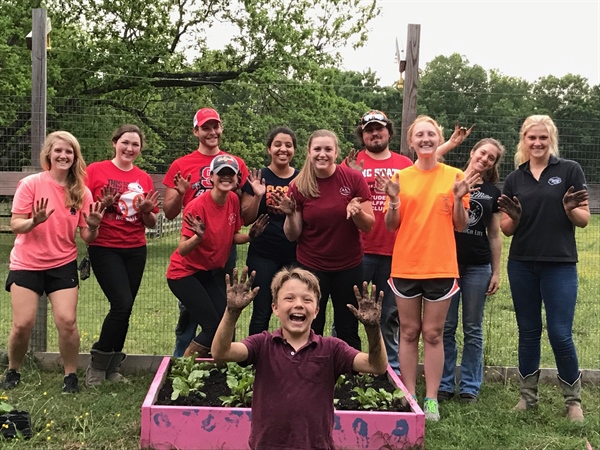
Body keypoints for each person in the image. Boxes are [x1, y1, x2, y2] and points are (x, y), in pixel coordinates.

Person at [344, 111, 474, 374]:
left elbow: (458, 220)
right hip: (367, 252)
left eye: (380, 128)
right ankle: (355, 368)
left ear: (390, 133)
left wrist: (458, 195)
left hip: (413, 258)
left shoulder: (412, 166)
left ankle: (394, 374)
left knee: (401, 323)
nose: (375, 133)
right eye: (369, 129)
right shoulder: (359, 165)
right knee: (357, 315)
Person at [211, 266, 388, 450]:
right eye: (289, 298)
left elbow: (377, 366)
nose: (298, 304)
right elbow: (221, 352)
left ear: (317, 310)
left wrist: (373, 329)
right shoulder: (263, 344)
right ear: (275, 308)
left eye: (307, 299)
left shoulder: (332, 348)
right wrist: (232, 312)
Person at [379, 115, 476, 421]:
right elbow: (391, 225)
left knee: (433, 334)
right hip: (406, 266)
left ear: (439, 139)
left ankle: (431, 398)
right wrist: (393, 202)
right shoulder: (400, 179)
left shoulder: (455, 176)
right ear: (411, 142)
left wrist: (460, 199)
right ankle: (409, 396)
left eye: (431, 134)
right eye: (419, 134)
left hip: (441, 267)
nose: (425, 139)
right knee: (408, 332)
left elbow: (460, 225)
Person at [498, 115, 589, 421]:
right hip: (522, 263)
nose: (537, 143)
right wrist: (516, 217)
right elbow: (506, 229)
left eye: (543, 138)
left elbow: (584, 219)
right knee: (528, 331)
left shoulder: (568, 170)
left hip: (559, 264)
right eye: (531, 138)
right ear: (523, 140)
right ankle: (527, 397)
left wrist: (569, 210)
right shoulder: (515, 178)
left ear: (551, 139)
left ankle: (573, 401)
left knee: (561, 332)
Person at [0, 131, 104, 393]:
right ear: (49, 154)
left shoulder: (81, 191)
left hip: (62, 263)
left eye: (69, 151)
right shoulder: (31, 184)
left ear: (75, 157)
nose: (63, 155)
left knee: (67, 321)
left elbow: (87, 236)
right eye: (58, 150)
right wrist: (34, 221)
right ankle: (13, 370)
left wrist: (93, 227)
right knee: (23, 324)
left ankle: (70, 376)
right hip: (27, 263)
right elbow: (15, 225)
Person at [273, 129, 375, 350]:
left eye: (328, 149)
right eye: (317, 149)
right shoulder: (299, 185)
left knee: (347, 325)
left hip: (348, 265)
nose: (322, 154)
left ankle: (350, 374)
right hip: (312, 266)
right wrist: (290, 214)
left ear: (336, 152)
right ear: (309, 153)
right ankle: (308, 371)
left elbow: (369, 225)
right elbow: (293, 234)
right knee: (311, 323)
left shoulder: (353, 179)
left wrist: (356, 211)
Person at [161, 108, 249, 357]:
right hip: (191, 256)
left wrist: (254, 226)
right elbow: (168, 213)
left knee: (223, 316)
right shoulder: (181, 165)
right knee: (192, 316)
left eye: (216, 126)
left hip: (219, 256)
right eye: (206, 127)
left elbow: (244, 208)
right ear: (196, 131)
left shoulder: (235, 164)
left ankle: (217, 365)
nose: (212, 131)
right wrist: (180, 193)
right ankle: (181, 362)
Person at [166, 155, 267, 358]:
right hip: (183, 274)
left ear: (238, 179)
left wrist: (250, 236)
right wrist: (197, 237)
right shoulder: (197, 206)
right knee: (213, 327)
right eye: (221, 174)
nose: (226, 178)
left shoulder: (231, 200)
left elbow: (231, 236)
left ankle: (214, 369)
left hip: (208, 272)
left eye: (230, 174)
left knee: (225, 321)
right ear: (211, 177)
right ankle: (184, 370)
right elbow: (183, 249)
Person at [84, 124, 160, 386]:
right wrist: (103, 206)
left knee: (125, 309)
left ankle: (112, 368)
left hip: (135, 249)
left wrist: (148, 210)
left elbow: (150, 222)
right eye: (125, 142)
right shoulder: (95, 171)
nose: (130, 148)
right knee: (122, 303)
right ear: (114, 142)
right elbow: (84, 208)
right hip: (105, 247)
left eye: (135, 144)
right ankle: (96, 367)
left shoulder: (144, 178)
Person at [436, 138, 505, 403]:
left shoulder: (492, 192)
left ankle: (469, 386)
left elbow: (495, 234)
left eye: (492, 158)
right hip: (447, 264)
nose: (485, 159)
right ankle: (444, 384)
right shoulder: (449, 178)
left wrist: (496, 272)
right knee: (446, 327)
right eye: (483, 153)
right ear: (473, 152)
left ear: (493, 165)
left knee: (473, 328)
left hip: (478, 266)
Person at [241, 127, 299, 335]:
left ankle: (292, 356)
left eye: (288, 145)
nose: (283, 149)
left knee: (294, 309)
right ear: (269, 149)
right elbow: (246, 218)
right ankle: (255, 361)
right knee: (262, 311)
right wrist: (258, 196)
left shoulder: (301, 180)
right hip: (263, 254)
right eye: (278, 145)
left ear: (294, 150)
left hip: (295, 255)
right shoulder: (258, 177)